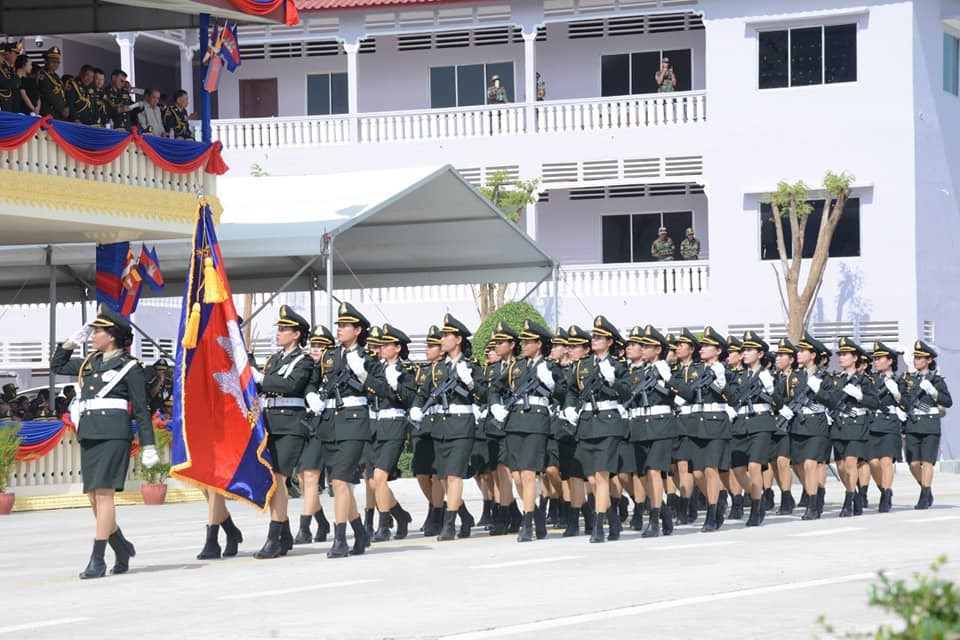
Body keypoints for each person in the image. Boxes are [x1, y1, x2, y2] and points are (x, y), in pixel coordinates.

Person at [51, 305, 157, 579]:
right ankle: (121, 546)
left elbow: (142, 409)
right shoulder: (90, 362)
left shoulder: (130, 368)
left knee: (104, 494)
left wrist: (149, 445)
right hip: (89, 433)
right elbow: (57, 365)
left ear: (111, 336)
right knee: (92, 497)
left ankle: (97, 558)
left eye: (97, 330)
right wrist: (72, 341)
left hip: (114, 434)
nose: (93, 334)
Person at [305, 302, 382, 557]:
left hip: (354, 423)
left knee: (339, 481)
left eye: (345, 326)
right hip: (329, 424)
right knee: (341, 484)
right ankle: (359, 532)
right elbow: (312, 382)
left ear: (358, 330)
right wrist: (311, 397)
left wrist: (363, 376)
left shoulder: (367, 358)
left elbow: (383, 390)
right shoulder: (329, 356)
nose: (339, 329)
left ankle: (340, 539)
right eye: (338, 325)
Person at [409, 314, 483, 541]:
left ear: (458, 339)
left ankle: (449, 525)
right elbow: (423, 393)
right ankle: (465, 517)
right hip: (440, 426)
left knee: (453, 476)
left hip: (462, 426)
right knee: (442, 477)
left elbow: (485, 394)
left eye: (446, 335)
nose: (442, 339)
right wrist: (416, 408)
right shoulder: (437, 368)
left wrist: (470, 382)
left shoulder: (471, 366)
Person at [248, 305, 313, 559]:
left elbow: (291, 385)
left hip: (291, 426)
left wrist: (262, 380)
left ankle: (274, 539)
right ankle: (284, 536)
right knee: (273, 482)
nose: (279, 333)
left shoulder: (304, 361)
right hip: (271, 424)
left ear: (296, 334)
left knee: (278, 480)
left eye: (284, 329)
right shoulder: (275, 359)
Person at [489, 320, 560, 542]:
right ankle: (537, 516)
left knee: (528, 475)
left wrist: (551, 383)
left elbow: (565, 393)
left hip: (536, 422)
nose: (524, 345)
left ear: (539, 344)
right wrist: (495, 406)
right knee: (517, 476)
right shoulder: (516, 367)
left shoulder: (550, 367)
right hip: (514, 423)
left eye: (528, 341)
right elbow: (495, 388)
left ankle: (527, 522)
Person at [562, 315, 627, 543]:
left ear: (610, 341)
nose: (595, 340)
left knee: (601, 476)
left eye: (600, 337)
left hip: (609, 423)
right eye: (594, 336)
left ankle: (600, 525)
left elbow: (628, 393)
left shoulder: (618, 366)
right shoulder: (583, 366)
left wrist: (614, 381)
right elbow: (571, 390)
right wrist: (569, 408)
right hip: (587, 423)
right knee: (591, 478)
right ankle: (613, 517)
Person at [366, 323, 416, 542]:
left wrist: (396, 386)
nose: (381, 348)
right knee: (374, 481)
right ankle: (400, 515)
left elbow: (410, 400)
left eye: (386, 345)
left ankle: (384, 523)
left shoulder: (406, 373)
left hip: (394, 426)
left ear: (397, 348)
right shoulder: (376, 369)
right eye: (381, 345)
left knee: (380, 477)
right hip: (375, 427)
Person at [777, 332, 834, 521]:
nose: (799, 354)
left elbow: (832, 401)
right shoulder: (794, 377)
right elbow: (782, 397)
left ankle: (812, 504)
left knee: (811, 464)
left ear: (813, 355)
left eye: (803, 351)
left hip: (817, 425)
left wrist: (819, 391)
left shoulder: (825, 377)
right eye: (799, 350)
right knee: (799, 464)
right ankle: (814, 494)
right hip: (797, 425)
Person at [821, 337, 878, 517]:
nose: (841, 357)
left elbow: (874, 403)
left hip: (856, 425)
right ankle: (854, 496)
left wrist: (861, 396)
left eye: (845, 354)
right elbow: (828, 399)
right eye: (840, 354)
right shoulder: (836, 379)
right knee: (841, 466)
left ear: (855, 358)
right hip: (838, 426)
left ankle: (849, 499)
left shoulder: (864, 380)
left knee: (851, 462)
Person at [725, 331, 777, 527]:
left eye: (749, 350)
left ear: (761, 354)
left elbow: (779, 402)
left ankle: (756, 507)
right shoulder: (737, 375)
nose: (745, 353)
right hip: (740, 424)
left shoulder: (768, 375)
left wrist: (772, 391)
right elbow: (731, 397)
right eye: (744, 350)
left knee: (754, 466)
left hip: (761, 423)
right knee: (737, 468)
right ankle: (758, 497)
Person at [292, 324, 334, 545]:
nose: (315, 350)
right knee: (302, 478)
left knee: (309, 477)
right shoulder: (305, 367)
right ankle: (323, 522)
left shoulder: (334, 369)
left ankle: (305, 527)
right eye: (313, 345)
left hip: (324, 428)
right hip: (306, 427)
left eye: (320, 346)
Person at [901, 339, 952, 509]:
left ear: (929, 360)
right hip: (913, 424)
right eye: (915, 357)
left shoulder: (936, 380)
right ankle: (926, 489)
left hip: (930, 425)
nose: (917, 361)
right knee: (914, 463)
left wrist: (933, 392)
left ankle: (924, 496)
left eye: (920, 358)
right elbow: (903, 399)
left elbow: (948, 401)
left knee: (927, 462)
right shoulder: (908, 379)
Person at [484, 320, 521, 536]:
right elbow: (489, 391)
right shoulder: (494, 369)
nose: (496, 346)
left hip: (514, 423)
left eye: (501, 342)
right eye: (495, 342)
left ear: (512, 344)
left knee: (509, 472)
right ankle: (510, 512)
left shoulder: (520, 366)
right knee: (498, 471)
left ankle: (505, 514)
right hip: (495, 424)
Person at [411, 326, 445, 536]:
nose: (427, 349)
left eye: (432, 346)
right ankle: (435, 506)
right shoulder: (422, 371)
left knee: (437, 474)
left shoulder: (447, 369)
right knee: (421, 473)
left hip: (440, 424)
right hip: (423, 427)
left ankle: (437, 513)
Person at [867, 341, 905, 513]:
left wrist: (897, 393)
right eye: (875, 358)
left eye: (880, 358)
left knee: (885, 461)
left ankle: (886, 493)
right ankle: (883, 488)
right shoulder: (871, 379)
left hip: (890, 423)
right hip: (873, 423)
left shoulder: (900, 380)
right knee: (873, 462)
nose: (876, 361)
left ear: (890, 361)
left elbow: (908, 403)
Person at [37, 47, 68, 120]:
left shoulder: (55, 76)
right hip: (49, 112)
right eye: (53, 61)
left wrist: (66, 107)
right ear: (46, 61)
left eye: (57, 62)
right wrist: (61, 109)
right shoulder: (42, 75)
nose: (55, 64)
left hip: (58, 113)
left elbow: (61, 94)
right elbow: (48, 94)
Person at [0, 43, 20, 113]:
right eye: (15, 54)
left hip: (9, 103)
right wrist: (17, 78)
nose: (4, 57)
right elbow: (6, 83)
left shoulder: (8, 68)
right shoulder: (3, 67)